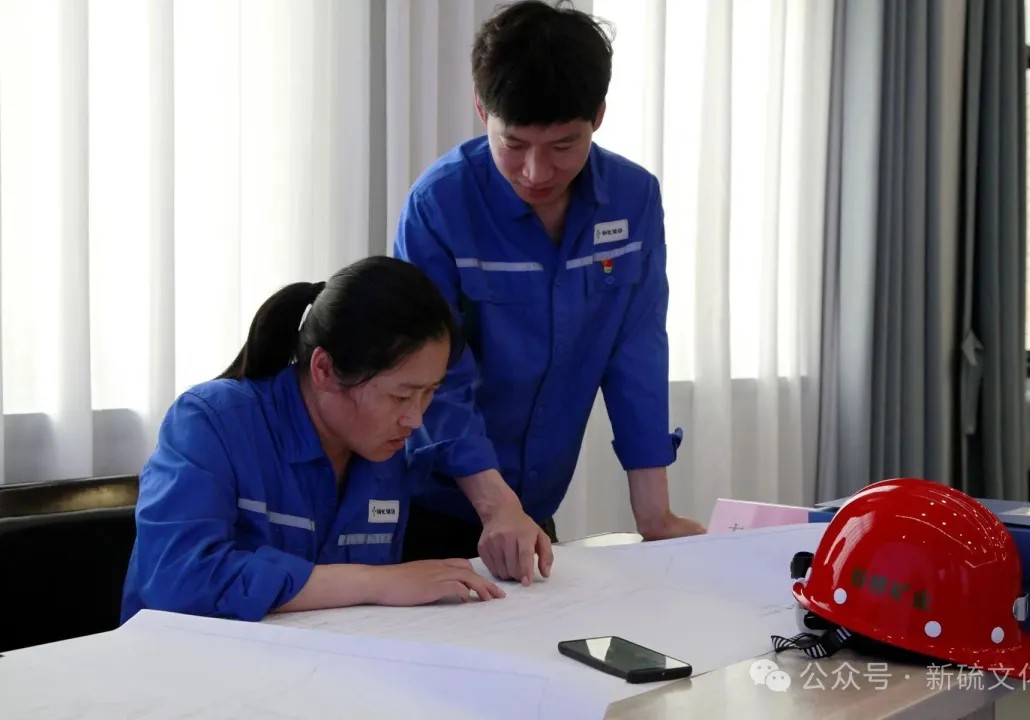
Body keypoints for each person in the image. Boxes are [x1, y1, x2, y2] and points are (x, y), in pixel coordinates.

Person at [393, 0, 705, 579]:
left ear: (598, 116)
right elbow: (434, 376)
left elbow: (636, 351)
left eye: (563, 146)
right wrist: (497, 506)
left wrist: (654, 515)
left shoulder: (632, 199)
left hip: (530, 510)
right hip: (427, 507)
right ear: (481, 108)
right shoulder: (439, 205)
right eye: (513, 144)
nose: (536, 172)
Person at [120, 256, 547, 624]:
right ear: (323, 369)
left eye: (429, 393)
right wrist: (376, 583)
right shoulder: (209, 421)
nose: (415, 418)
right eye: (400, 396)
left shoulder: (384, 452)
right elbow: (178, 581)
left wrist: (502, 511)